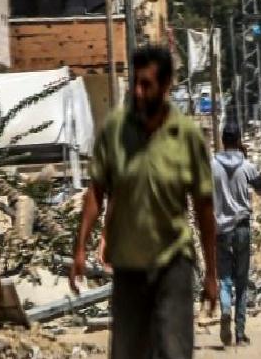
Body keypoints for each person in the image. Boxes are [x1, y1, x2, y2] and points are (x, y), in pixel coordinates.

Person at [71, 45, 218, 359]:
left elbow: (204, 208)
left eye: (147, 85)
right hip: (128, 267)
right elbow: (97, 191)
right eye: (135, 83)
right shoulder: (115, 131)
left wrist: (212, 274)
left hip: (173, 263)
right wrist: (80, 248)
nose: (138, 92)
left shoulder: (187, 136)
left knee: (173, 350)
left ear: (165, 87)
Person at [212, 124, 261, 346]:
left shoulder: (212, 165)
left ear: (223, 140)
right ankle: (240, 334)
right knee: (242, 282)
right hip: (242, 228)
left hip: (221, 230)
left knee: (224, 278)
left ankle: (225, 309)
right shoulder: (247, 166)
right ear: (239, 140)